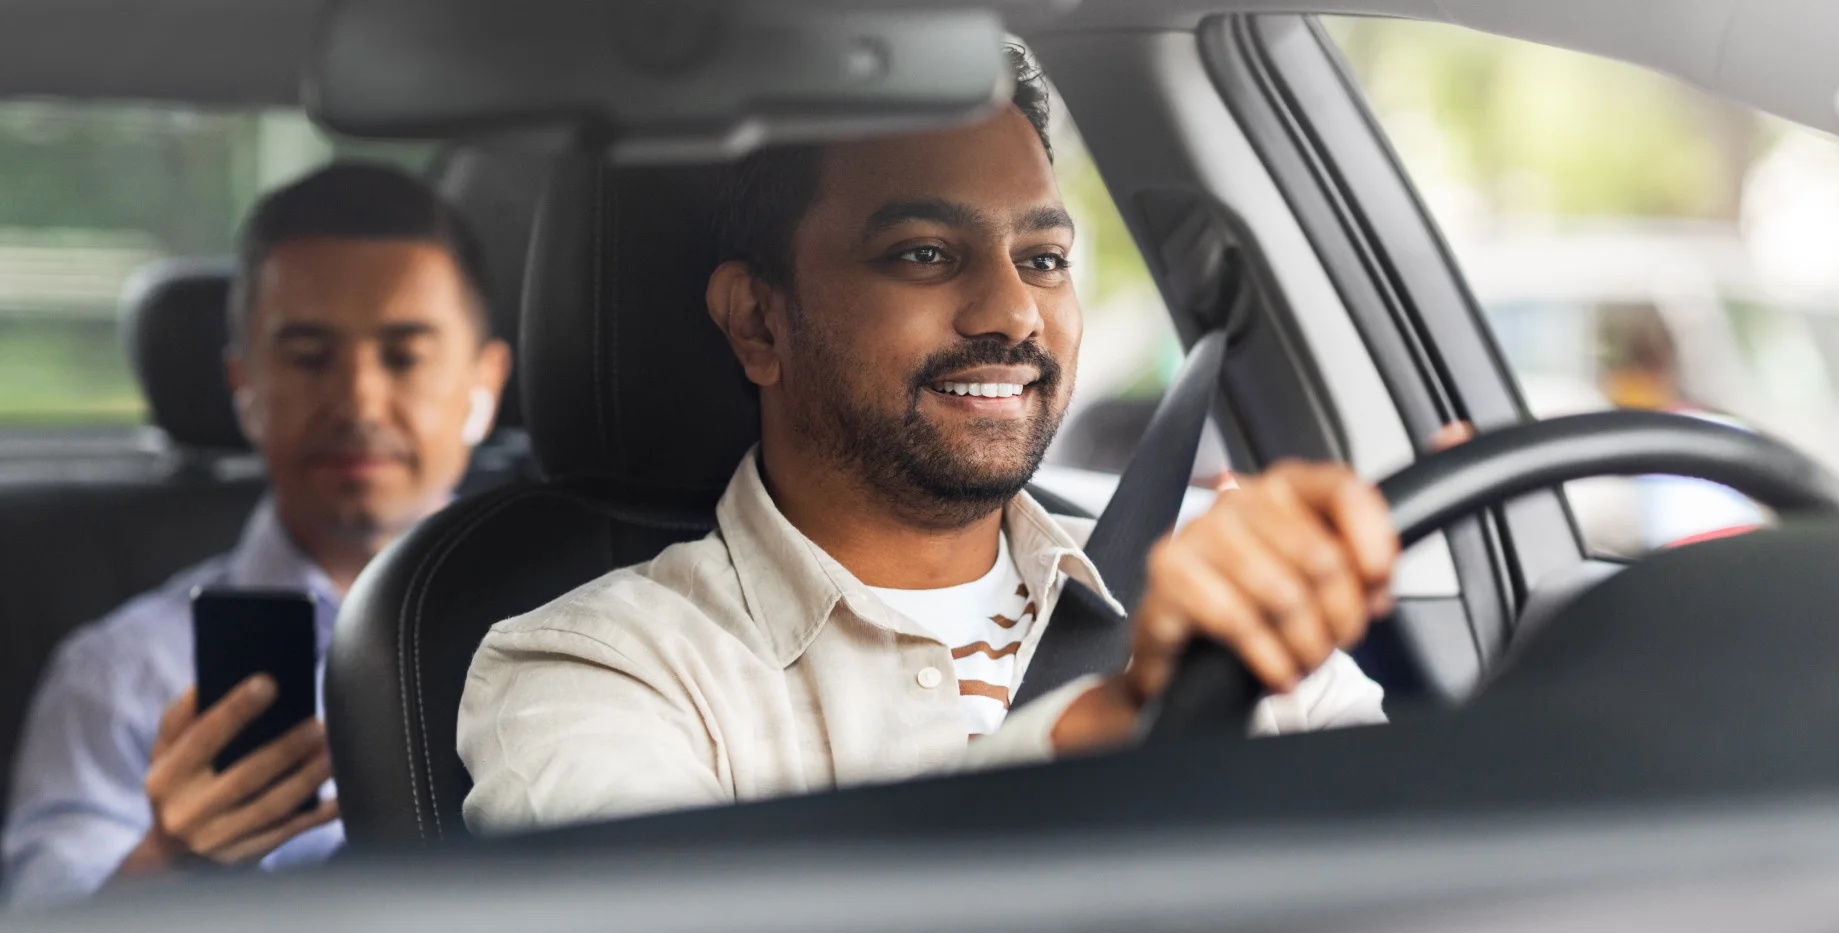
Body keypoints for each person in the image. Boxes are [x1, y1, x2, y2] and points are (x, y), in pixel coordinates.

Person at [458, 49, 1394, 835]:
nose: (1014, 312)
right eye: (923, 253)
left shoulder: (1218, 602)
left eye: (1045, 259)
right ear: (757, 322)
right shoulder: (593, 669)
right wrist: (1121, 721)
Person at [3, 163, 511, 907]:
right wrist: (168, 860)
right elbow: (41, 931)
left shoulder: (583, 626)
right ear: (244, 388)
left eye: (404, 355)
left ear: (484, 385)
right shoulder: (121, 673)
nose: (357, 398)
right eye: (309, 357)